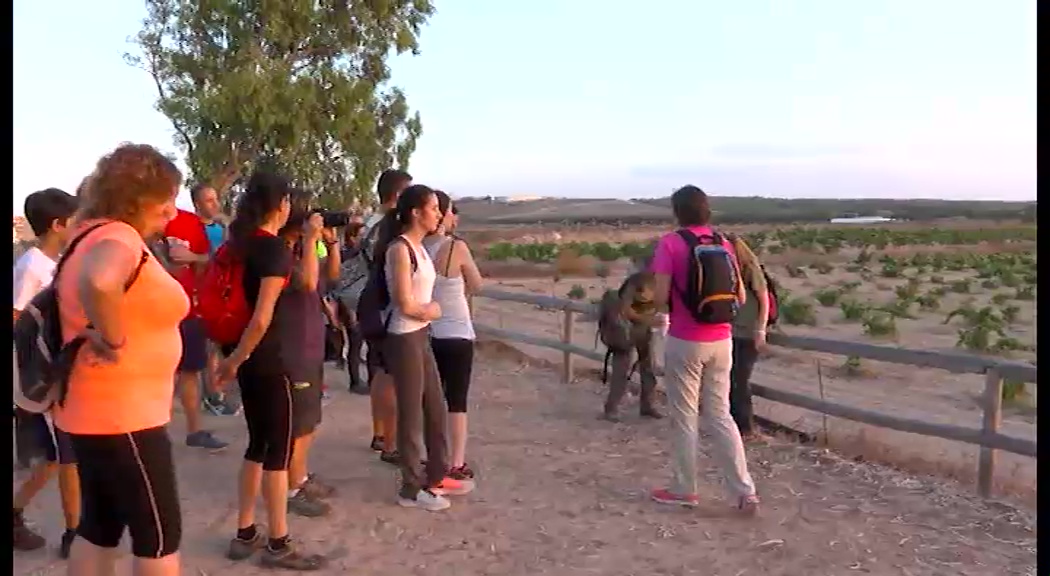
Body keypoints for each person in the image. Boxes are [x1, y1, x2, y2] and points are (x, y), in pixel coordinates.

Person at [55, 144, 186, 575]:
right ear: (136, 198)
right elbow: (101, 279)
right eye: (165, 199)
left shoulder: (86, 232)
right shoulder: (118, 237)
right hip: (124, 414)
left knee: (101, 524)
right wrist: (114, 338)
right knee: (159, 536)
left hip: (90, 408)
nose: (171, 211)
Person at [213, 171, 326, 570]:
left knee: (258, 446)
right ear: (282, 206)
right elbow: (261, 320)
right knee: (277, 453)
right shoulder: (273, 251)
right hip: (269, 361)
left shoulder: (238, 246)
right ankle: (279, 543)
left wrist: (229, 359)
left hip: (246, 360)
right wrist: (235, 360)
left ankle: (245, 531)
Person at [648, 185, 759, 514]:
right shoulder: (723, 242)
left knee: (684, 417)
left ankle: (685, 488)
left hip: (685, 340)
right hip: (722, 341)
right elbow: (739, 297)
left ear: (676, 211)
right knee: (721, 415)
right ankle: (744, 490)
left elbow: (659, 298)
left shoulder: (670, 244)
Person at [374, 184, 473, 511]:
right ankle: (410, 487)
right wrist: (431, 310)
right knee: (412, 413)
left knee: (435, 407)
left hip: (422, 335)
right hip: (404, 336)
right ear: (415, 212)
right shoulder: (399, 249)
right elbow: (404, 302)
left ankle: (434, 476)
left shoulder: (420, 247)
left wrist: (429, 313)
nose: (439, 214)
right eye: (433, 208)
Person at [12, 188, 81, 557]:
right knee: (63, 455)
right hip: (39, 380)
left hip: (53, 376)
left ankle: (15, 513)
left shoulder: (55, 264)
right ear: (58, 225)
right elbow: (18, 320)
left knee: (53, 460)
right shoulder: (33, 267)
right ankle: (75, 532)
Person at [275, 190, 340, 519]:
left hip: (310, 344)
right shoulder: (281, 252)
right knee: (298, 425)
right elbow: (308, 282)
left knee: (310, 420)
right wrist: (310, 236)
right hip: (292, 347)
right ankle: (290, 488)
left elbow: (330, 277)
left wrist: (329, 243)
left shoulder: (301, 249)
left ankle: (300, 477)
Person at [424, 192, 483, 480]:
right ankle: (456, 463)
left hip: (427, 332)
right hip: (457, 333)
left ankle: (430, 456)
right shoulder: (456, 248)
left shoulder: (418, 246)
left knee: (432, 399)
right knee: (456, 402)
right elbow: (477, 283)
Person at [162, 206, 229, 450]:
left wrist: (192, 258)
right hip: (150, 309)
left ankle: (194, 431)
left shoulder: (189, 221)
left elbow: (208, 260)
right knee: (157, 373)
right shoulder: (132, 217)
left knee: (190, 370)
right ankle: (149, 434)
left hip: (187, 308)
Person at [363, 168, 412, 463]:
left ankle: (380, 433)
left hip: (371, 304)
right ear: (398, 194)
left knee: (380, 373)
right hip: (388, 307)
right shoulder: (394, 226)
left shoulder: (371, 223)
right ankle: (392, 444)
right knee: (393, 377)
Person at [190, 182, 240, 416]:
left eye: (215, 199)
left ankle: (218, 391)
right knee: (209, 348)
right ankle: (213, 396)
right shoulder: (190, 229)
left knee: (220, 346)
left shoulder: (222, 228)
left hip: (223, 293)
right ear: (197, 204)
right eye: (209, 200)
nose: (215, 204)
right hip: (200, 295)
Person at [598, 270, 664, 422]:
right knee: (620, 372)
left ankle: (647, 405)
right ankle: (611, 408)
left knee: (648, 370)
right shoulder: (638, 282)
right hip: (626, 334)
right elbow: (625, 311)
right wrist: (649, 320)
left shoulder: (654, 282)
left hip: (645, 333)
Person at [726, 234, 769, 442]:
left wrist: (760, 329)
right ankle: (734, 425)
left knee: (739, 380)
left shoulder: (750, 268)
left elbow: (764, 298)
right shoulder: (726, 269)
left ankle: (746, 427)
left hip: (746, 332)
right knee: (728, 379)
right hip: (728, 331)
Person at [335, 222, 367, 393]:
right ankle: (355, 382)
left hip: (359, 303)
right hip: (349, 306)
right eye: (360, 235)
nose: (364, 239)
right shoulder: (347, 257)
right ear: (352, 237)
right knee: (355, 342)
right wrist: (350, 311)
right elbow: (342, 287)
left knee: (359, 342)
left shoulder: (360, 255)